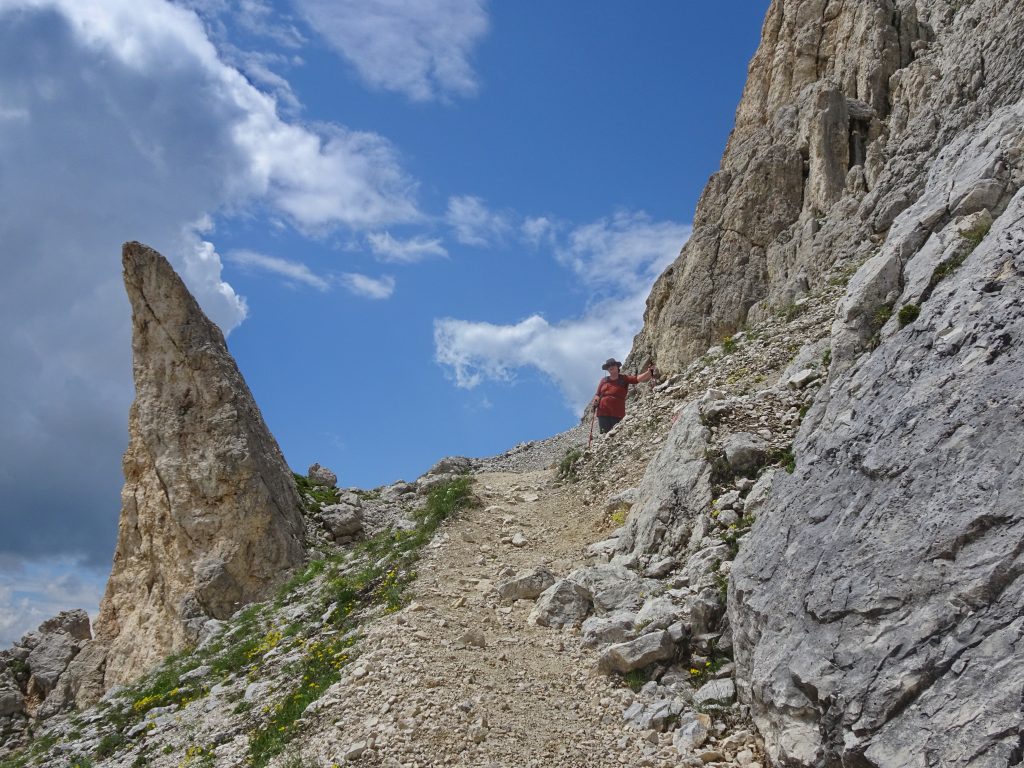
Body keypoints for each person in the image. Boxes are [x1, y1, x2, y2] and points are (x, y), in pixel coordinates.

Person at [592, 358, 655, 434]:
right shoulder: (603, 380)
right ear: (607, 369)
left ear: (617, 367)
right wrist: (596, 401)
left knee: (616, 434)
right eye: (608, 366)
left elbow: (636, 379)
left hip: (617, 412)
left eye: (612, 365)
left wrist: (648, 372)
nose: (610, 367)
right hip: (603, 412)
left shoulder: (624, 378)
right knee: (604, 435)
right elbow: (598, 394)